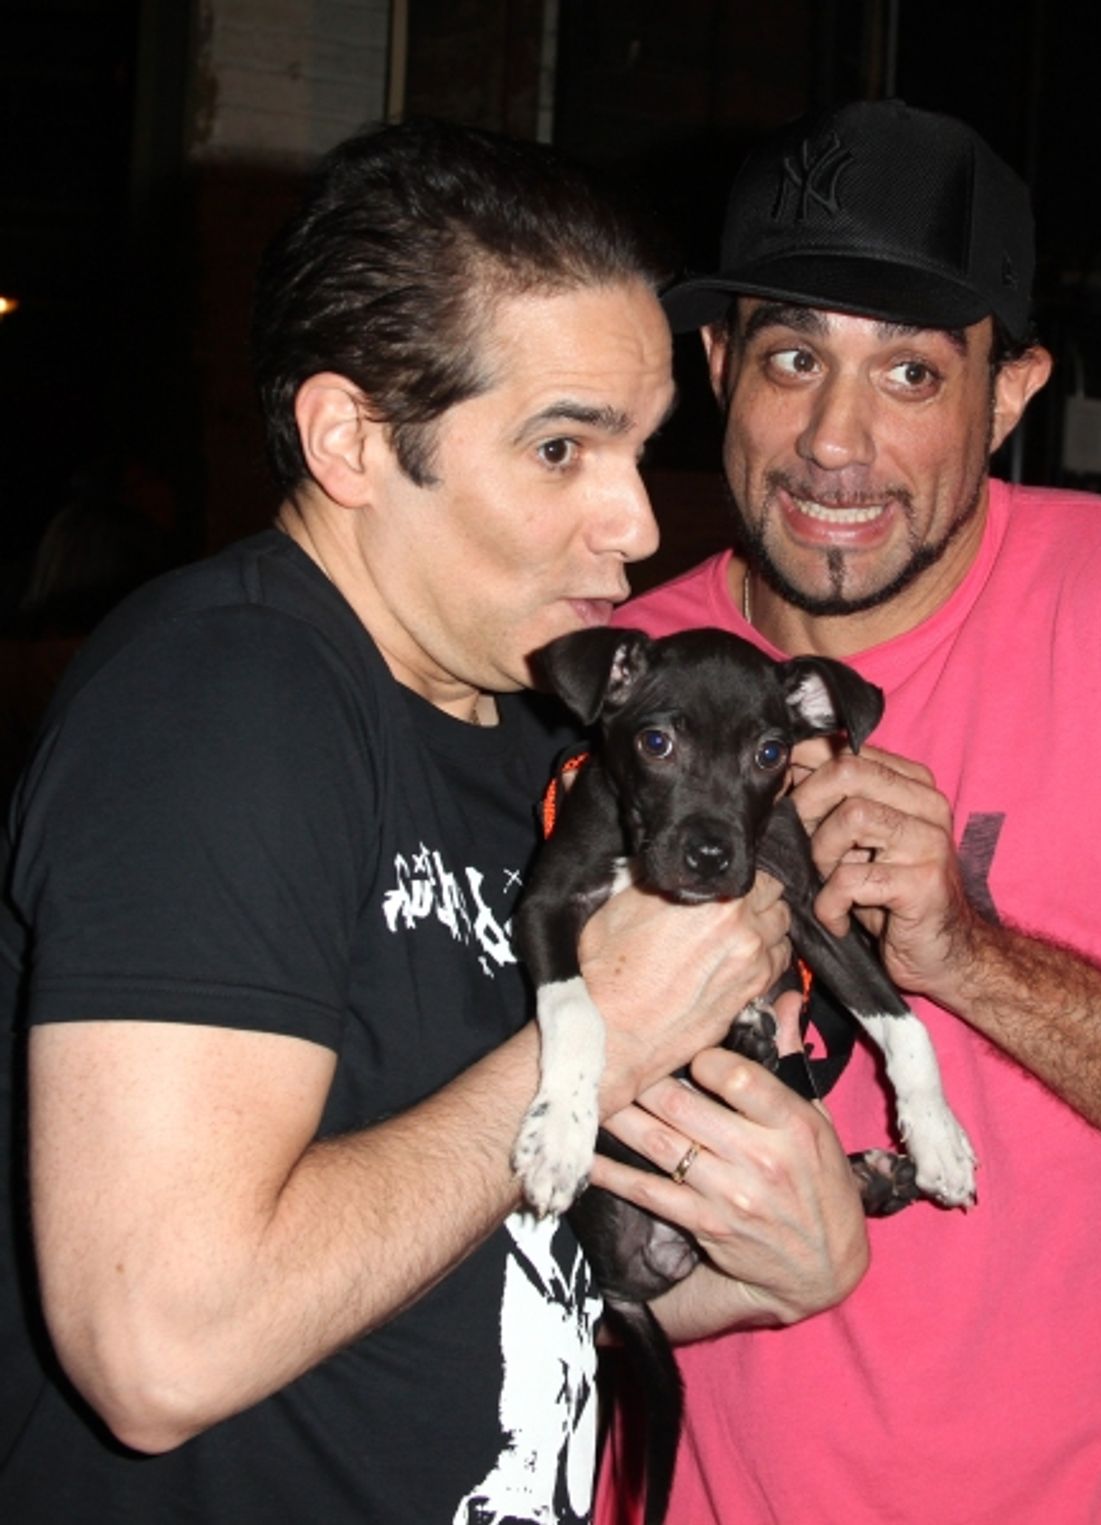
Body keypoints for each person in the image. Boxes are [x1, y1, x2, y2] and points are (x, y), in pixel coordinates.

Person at [0, 118, 869, 1522]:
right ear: (351, 437)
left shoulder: (530, 732)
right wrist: (605, 1041)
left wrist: (759, 1264)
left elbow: (445, 1278)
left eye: (640, 447)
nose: (638, 521)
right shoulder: (226, 702)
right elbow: (159, 1340)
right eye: (561, 446)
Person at [594, 99, 1101, 1524]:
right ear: (720, 364)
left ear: (1010, 393)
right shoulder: (611, 685)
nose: (834, 442)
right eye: (794, 356)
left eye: (913, 376)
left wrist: (968, 957)